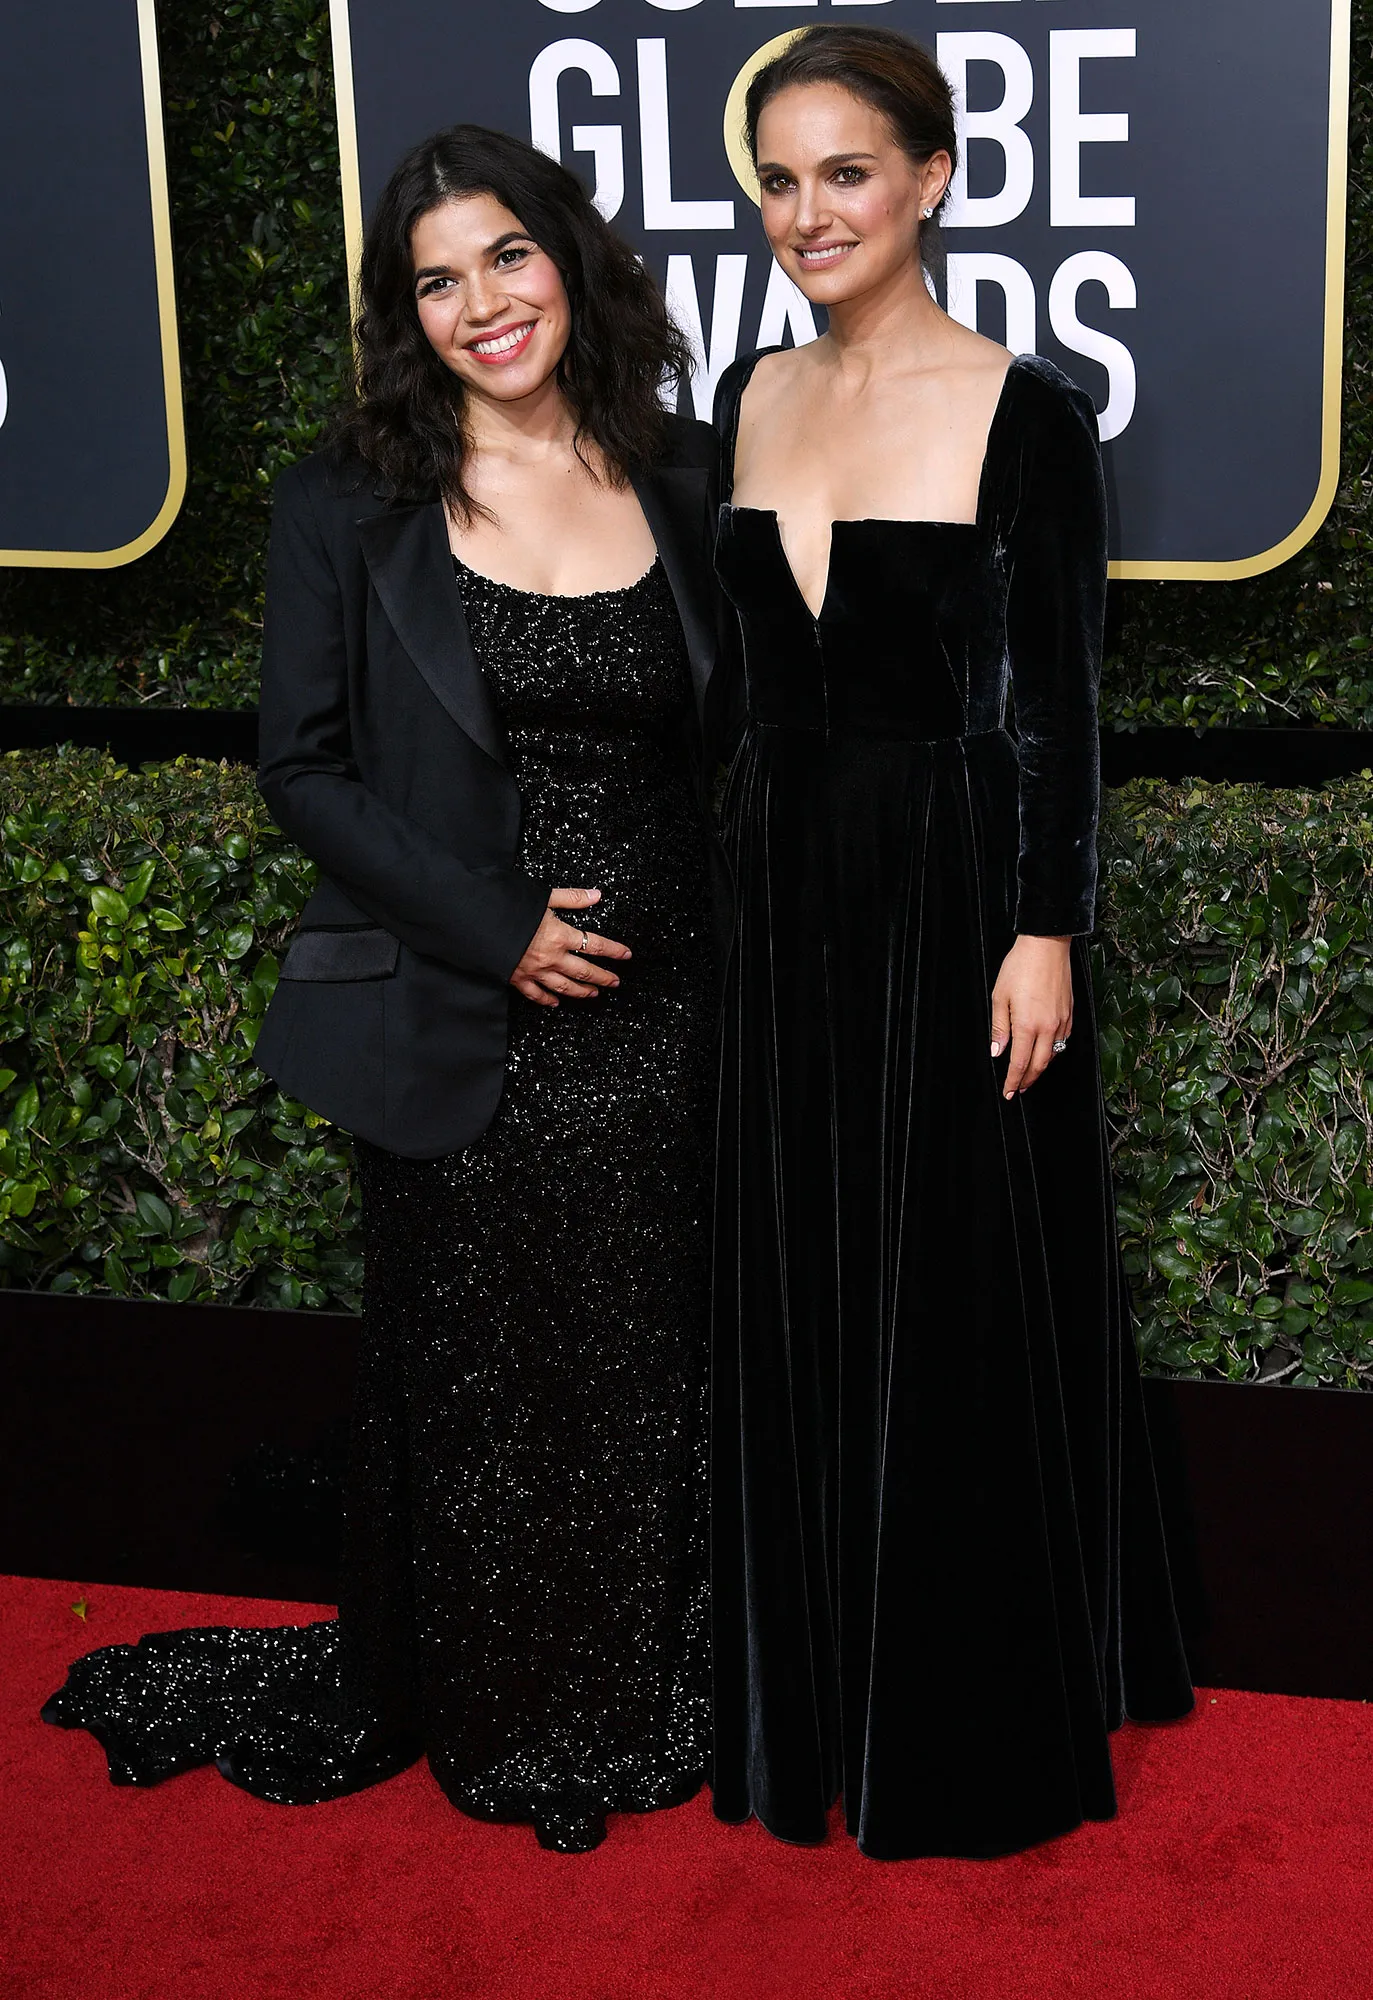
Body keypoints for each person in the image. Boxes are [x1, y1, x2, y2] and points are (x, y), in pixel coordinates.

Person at [44, 125, 728, 1855]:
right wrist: (497, 928)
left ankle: (653, 1695)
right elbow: (304, 769)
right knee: (487, 1379)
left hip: (680, 1015)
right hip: (465, 1013)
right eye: (436, 280)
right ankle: (511, 1715)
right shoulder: (343, 501)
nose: (482, 302)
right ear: (402, 313)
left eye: (507, 255)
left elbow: (747, 744)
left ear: (568, 259)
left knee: (651, 1368)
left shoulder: (687, 468)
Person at [709, 25, 1194, 1862]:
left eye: (846, 172)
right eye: (779, 179)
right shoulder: (747, 395)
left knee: (961, 1288)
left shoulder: (1027, 414)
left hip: (954, 897)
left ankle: (965, 1710)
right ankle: (813, 1678)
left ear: (930, 179)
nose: (808, 212)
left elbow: (1057, 705)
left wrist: (1045, 925)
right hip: (776, 899)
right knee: (801, 1266)